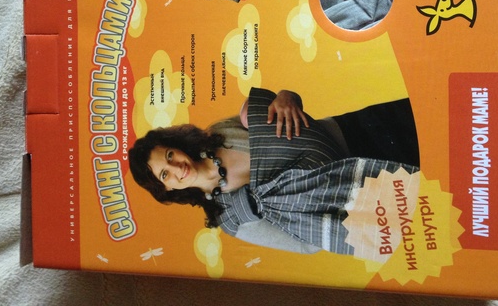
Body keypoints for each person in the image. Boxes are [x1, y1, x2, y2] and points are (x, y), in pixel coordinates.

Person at [129, 88, 420, 256]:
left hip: (358, 131)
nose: (176, 167)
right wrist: (327, 194)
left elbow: (277, 110)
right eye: (164, 175)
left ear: (176, 146)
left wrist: (286, 97)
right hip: (370, 192)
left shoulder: (219, 133)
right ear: (168, 190)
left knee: (439, 112)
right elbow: (304, 243)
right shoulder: (231, 217)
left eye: (169, 155)